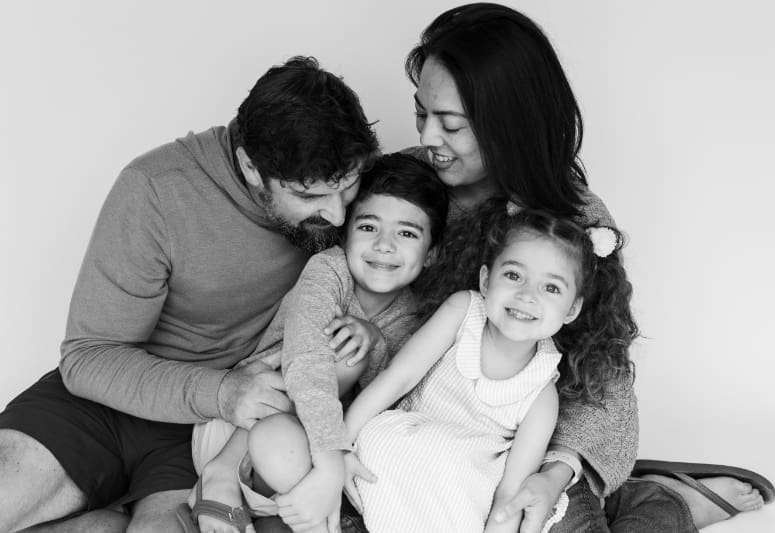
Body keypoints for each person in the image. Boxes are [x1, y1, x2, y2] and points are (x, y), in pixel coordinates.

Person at [399, 3, 774, 532]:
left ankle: (668, 507)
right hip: (420, 440)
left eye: (451, 124)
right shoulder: (398, 187)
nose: (429, 138)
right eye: (421, 114)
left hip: (524, 453)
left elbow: (603, 375)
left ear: (510, 125)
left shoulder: (574, 222)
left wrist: (556, 471)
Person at [0, 56, 380, 532]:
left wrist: (370, 331)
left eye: (348, 188)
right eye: (309, 197)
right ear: (250, 166)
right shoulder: (156, 189)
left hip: (202, 438)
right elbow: (87, 358)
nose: (340, 216)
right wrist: (223, 392)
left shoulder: (356, 196)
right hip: (103, 405)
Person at [178, 154, 449, 533]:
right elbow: (305, 365)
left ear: (432, 253)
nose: (385, 245)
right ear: (345, 233)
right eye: (369, 227)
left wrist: (376, 345)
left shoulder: (415, 316)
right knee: (342, 352)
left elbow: (384, 408)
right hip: (242, 423)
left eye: (406, 233)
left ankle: (286, 512)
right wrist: (329, 465)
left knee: (353, 368)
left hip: (295, 453)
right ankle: (221, 471)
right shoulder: (328, 270)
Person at [343, 208, 637, 533]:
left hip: (465, 476)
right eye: (513, 276)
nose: (526, 295)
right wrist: (338, 445)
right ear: (486, 280)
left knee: (471, 485)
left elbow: (509, 492)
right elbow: (399, 377)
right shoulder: (462, 311)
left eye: (550, 288)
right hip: (406, 442)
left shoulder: (541, 394)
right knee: (377, 438)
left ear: (572, 309)